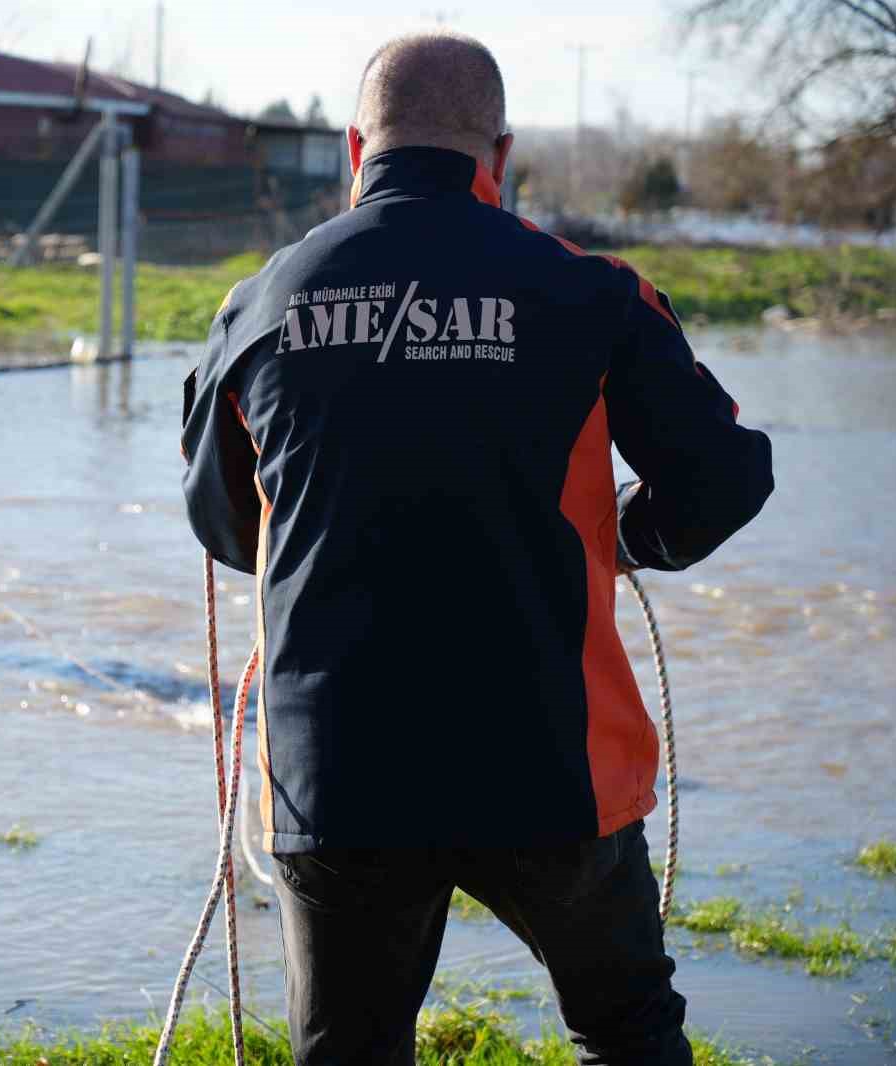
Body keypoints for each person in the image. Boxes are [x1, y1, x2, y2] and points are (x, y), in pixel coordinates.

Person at [181, 32, 773, 1066]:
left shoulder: (258, 304)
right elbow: (725, 474)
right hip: (550, 759)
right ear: (499, 151)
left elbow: (229, 530)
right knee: (626, 1034)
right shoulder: (590, 293)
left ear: (355, 145)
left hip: (338, 771)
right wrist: (630, 537)